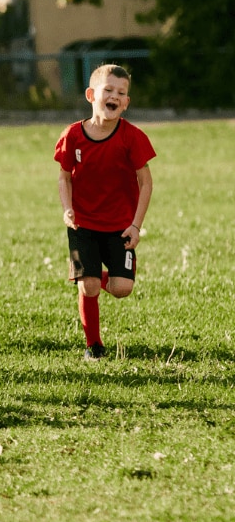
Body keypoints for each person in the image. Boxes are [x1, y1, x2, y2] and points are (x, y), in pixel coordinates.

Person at [54, 64, 155, 360]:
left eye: (121, 93)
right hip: (83, 225)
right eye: (108, 90)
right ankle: (94, 346)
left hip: (120, 226)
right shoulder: (73, 135)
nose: (114, 96)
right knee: (89, 287)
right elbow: (64, 176)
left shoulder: (132, 137)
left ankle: (90, 273)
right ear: (91, 94)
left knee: (122, 288)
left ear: (126, 103)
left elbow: (146, 182)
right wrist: (67, 209)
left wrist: (135, 226)